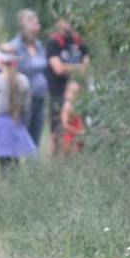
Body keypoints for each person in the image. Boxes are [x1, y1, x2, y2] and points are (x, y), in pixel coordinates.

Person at [0, 44, 36, 176]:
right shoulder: (24, 80)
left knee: (4, 164)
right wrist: (24, 124)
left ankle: (8, 189)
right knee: (15, 161)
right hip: (16, 123)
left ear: (0, 61)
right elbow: (26, 108)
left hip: (0, 126)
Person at [47, 17, 89, 155]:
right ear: (59, 23)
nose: (70, 24)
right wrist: (77, 66)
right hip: (58, 92)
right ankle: (53, 163)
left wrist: (67, 67)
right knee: (56, 131)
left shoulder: (79, 42)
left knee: (78, 126)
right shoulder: (53, 43)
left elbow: (86, 67)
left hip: (77, 92)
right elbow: (57, 68)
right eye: (66, 20)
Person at [7, 9, 48, 147]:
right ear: (23, 26)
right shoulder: (13, 47)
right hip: (22, 99)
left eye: (37, 24)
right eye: (33, 24)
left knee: (35, 137)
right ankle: (15, 167)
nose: (37, 28)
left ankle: (33, 167)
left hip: (39, 98)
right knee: (20, 135)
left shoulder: (39, 46)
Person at [60, 80, 85, 157]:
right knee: (69, 159)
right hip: (70, 138)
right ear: (66, 93)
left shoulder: (77, 106)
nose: (76, 96)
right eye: (73, 93)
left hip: (78, 138)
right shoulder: (67, 107)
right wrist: (78, 132)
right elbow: (64, 125)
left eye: (77, 93)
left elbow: (79, 122)